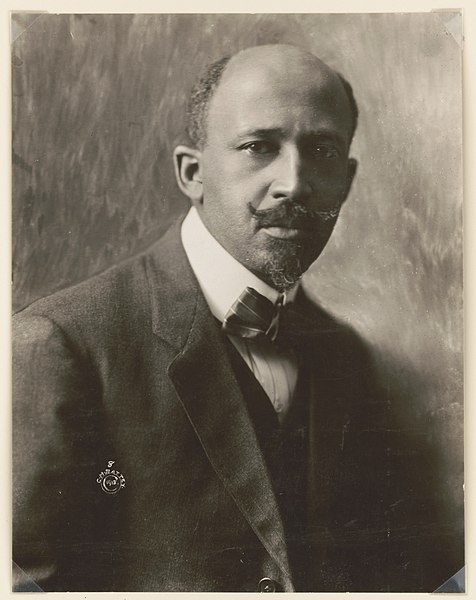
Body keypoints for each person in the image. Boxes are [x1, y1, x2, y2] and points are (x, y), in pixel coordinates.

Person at [12, 44, 463, 592]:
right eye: (258, 147)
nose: (293, 183)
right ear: (192, 173)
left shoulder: (344, 355)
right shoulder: (61, 345)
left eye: (321, 150)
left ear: (345, 181)